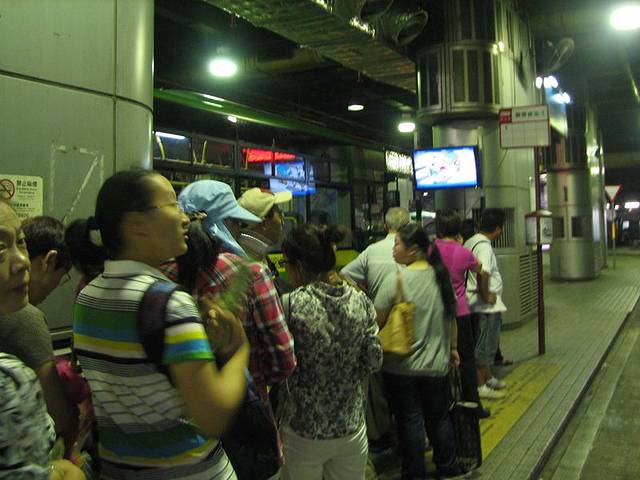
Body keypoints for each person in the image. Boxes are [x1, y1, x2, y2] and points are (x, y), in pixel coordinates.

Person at [68, 169, 250, 479]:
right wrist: (239, 350)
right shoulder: (169, 303)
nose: (185, 218)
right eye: (172, 206)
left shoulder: (88, 297)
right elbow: (213, 416)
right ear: (136, 223)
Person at [172, 180, 296, 401]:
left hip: (186, 406)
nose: (240, 229)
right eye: (238, 223)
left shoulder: (165, 273)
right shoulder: (251, 273)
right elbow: (284, 360)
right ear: (224, 223)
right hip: (241, 404)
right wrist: (256, 379)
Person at [277, 224, 383, 480]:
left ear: (299, 265)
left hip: (303, 429)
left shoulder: (291, 304)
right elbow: (374, 360)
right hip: (350, 426)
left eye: (286, 263)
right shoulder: (361, 301)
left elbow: (281, 365)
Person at [0, 200, 85, 480]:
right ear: (49, 261)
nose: (21, 262)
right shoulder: (26, 322)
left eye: (20, 242)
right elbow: (60, 416)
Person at [375, 223, 461, 480]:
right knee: (439, 419)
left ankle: (414, 473)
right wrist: (453, 348)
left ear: (413, 249)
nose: (393, 249)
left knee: (410, 421)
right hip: (436, 365)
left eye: (397, 244)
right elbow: (451, 318)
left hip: (401, 367)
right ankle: (448, 467)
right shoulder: (442, 278)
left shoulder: (396, 280)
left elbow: (376, 320)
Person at [341, 207, 410, 448]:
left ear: (385, 226)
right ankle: (408, 432)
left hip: (380, 323)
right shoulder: (414, 250)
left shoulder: (371, 251)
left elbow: (345, 274)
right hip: (408, 323)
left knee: (379, 383)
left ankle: (383, 432)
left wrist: (363, 293)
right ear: (407, 226)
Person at [435, 210, 493, 418]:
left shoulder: (431, 249)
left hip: (437, 311)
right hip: (460, 312)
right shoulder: (463, 252)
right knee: (466, 360)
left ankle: (444, 404)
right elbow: (480, 269)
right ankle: (473, 405)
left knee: (440, 357)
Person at [465, 208, 508, 400]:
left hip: (474, 302)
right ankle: (480, 385)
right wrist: (486, 295)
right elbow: (483, 272)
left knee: (484, 341)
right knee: (485, 343)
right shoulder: (484, 246)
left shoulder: (472, 241)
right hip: (484, 305)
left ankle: (488, 377)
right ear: (498, 229)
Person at [237, 187, 293, 292]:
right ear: (264, 224)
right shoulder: (250, 263)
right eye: (279, 213)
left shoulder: (258, 254)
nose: (283, 219)